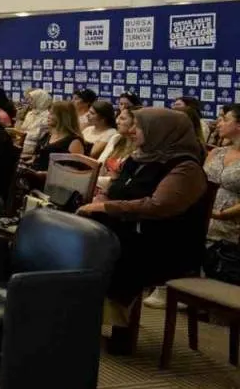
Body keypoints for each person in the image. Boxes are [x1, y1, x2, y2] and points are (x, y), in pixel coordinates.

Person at [76, 109, 209, 337]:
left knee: (106, 252)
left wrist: (106, 207)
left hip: (166, 243)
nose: (132, 131)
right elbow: (117, 190)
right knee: (79, 238)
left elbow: (157, 206)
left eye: (138, 127)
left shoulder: (185, 167)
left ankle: (109, 325)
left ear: (160, 131)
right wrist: (103, 200)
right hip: (130, 228)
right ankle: (78, 313)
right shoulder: (139, 158)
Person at [20, 100, 86, 188]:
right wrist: (25, 163)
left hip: (53, 184)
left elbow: (72, 172)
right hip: (34, 176)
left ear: (63, 117)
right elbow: (38, 158)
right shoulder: (47, 135)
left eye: (52, 114)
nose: (48, 116)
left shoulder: (74, 141)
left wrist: (44, 174)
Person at [204, 104, 240, 245]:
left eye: (225, 120)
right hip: (203, 227)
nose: (219, 124)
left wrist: (222, 214)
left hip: (232, 233)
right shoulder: (216, 152)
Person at [18, 89, 52, 161]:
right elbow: (22, 129)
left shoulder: (47, 116)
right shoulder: (29, 114)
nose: (28, 101)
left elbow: (38, 135)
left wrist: (23, 134)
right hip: (22, 146)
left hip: (34, 151)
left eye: (31, 99)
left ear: (40, 100)